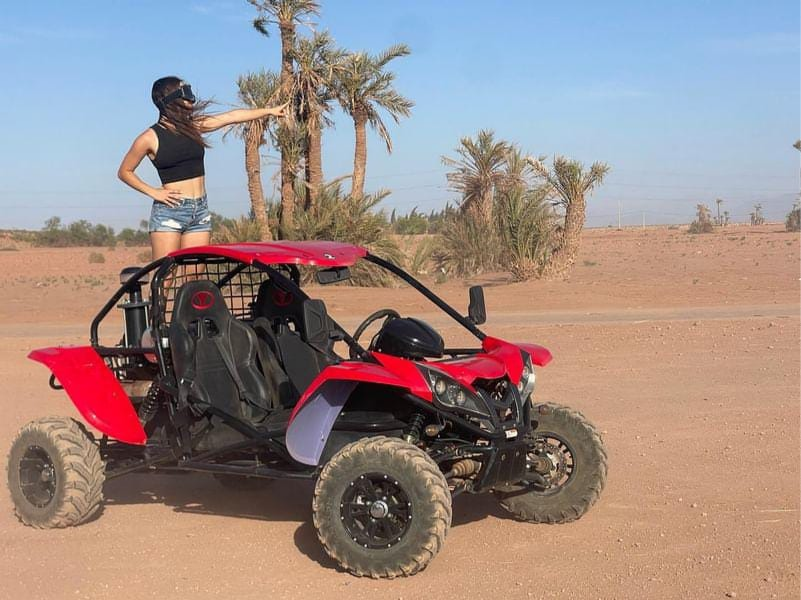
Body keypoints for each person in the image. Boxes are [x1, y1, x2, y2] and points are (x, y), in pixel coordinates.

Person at [118, 76, 286, 259]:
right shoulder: (149, 138)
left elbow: (231, 117)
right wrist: (154, 192)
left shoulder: (194, 126)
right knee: (165, 277)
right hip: (170, 211)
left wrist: (269, 111)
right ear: (169, 99)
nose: (191, 98)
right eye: (185, 93)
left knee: (195, 277)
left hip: (200, 210)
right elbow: (125, 172)